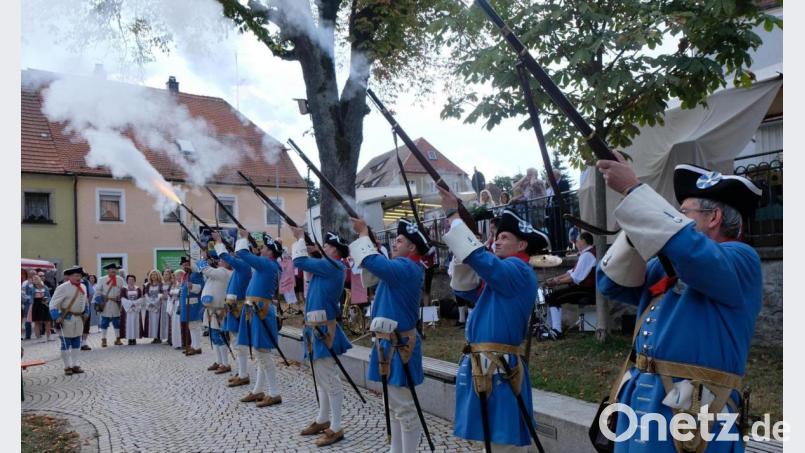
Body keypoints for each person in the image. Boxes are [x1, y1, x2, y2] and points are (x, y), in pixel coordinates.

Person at [595, 158, 763, 451]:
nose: (676, 219)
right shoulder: (667, 266)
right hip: (641, 400)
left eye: (683, 213)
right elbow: (610, 284)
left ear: (714, 217)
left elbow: (694, 255)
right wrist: (637, 229)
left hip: (694, 411)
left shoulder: (741, 259)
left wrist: (634, 192)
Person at [439, 185, 550, 452]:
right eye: (496, 236)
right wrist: (466, 249)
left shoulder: (518, 269)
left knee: (502, 444)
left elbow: (483, 261)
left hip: (498, 367)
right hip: (486, 365)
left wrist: (455, 216)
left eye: (505, 237)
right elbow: (464, 289)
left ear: (522, 245)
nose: (497, 241)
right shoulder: (503, 275)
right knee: (493, 443)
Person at [349, 217, 428, 452]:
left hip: (399, 345)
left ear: (412, 247)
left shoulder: (406, 267)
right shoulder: (401, 268)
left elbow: (371, 261)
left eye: (400, 240)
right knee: (393, 405)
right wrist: (369, 243)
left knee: (404, 407)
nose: (394, 243)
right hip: (388, 344)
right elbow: (371, 273)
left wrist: (364, 234)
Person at [291, 226, 353, 447]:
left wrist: (300, 238)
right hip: (314, 328)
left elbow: (299, 262)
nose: (322, 247)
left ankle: (336, 427)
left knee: (329, 380)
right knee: (321, 379)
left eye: (326, 245)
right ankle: (323, 419)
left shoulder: (333, 265)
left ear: (335, 250)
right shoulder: (328, 265)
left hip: (323, 330)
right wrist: (312, 248)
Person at [234, 230, 285, 408]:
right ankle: (258, 390)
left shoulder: (266, 264)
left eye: (263, 247)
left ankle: (274, 393)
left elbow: (242, 253)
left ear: (270, 252)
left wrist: (243, 238)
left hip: (260, 311)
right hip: (256, 310)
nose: (260, 249)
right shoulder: (268, 264)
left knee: (263, 353)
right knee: (260, 353)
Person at [212, 232, 252, 386]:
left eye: (237, 251)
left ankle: (243, 374)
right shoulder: (238, 268)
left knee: (238, 343)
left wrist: (218, 241)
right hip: (232, 308)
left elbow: (224, 257)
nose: (234, 254)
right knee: (236, 342)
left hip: (237, 309)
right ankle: (241, 372)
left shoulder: (242, 265)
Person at [543, 231, 597, 339]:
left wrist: (556, 282)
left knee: (553, 297)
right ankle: (550, 328)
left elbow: (575, 277)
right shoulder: (586, 254)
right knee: (551, 296)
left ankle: (556, 331)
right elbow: (571, 272)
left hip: (586, 290)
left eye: (577, 241)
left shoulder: (587, 255)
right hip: (583, 288)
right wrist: (556, 278)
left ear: (583, 241)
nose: (575, 243)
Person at [197, 248, 233, 376]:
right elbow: (208, 272)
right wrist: (209, 260)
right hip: (212, 310)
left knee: (220, 337)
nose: (219, 262)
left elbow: (205, 270)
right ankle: (219, 361)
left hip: (218, 311)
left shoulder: (224, 272)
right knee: (214, 337)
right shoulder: (219, 272)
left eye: (222, 260)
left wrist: (203, 258)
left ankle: (225, 364)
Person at [49, 266, 88, 376]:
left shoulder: (83, 286)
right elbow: (52, 304)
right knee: (66, 343)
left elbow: (85, 301)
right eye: (76, 275)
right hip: (66, 319)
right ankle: (67, 366)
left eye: (80, 275)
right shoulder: (62, 287)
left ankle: (75, 365)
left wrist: (87, 311)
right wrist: (56, 317)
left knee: (77, 342)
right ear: (70, 277)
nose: (78, 277)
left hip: (79, 319)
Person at [179, 256, 204, 356]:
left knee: (195, 325)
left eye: (187, 264)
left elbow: (201, 287)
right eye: (184, 265)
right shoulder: (186, 275)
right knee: (191, 326)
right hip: (187, 304)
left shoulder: (196, 274)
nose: (185, 266)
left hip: (193, 304)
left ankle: (197, 347)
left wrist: (192, 286)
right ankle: (193, 345)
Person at [96, 263, 125, 347]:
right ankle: (104, 339)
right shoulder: (102, 279)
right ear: (107, 271)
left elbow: (124, 290)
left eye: (114, 269)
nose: (113, 270)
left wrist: (120, 296)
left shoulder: (120, 279)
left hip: (116, 303)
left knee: (117, 322)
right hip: (106, 303)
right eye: (111, 269)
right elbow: (98, 291)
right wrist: (101, 298)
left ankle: (118, 338)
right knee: (104, 322)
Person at [545, 169, 571, 251]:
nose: (550, 177)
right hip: (551, 211)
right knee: (552, 230)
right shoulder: (552, 186)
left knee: (560, 230)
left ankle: (562, 249)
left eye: (552, 175)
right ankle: (555, 249)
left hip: (559, 210)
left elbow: (565, 195)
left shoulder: (563, 183)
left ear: (557, 175)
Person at [143, 270, 167, 343]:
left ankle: (159, 337)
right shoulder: (147, 285)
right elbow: (146, 295)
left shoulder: (161, 284)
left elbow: (162, 294)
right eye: (152, 275)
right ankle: (154, 337)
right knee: (152, 322)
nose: (153, 276)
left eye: (155, 274)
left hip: (158, 306)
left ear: (158, 275)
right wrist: (150, 302)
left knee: (158, 321)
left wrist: (155, 303)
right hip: (150, 305)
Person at [28, 275, 53, 343]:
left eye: (36, 278)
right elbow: (28, 296)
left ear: (39, 279)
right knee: (37, 322)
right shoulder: (31, 288)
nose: (35, 280)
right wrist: (30, 302)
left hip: (44, 304)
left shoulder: (45, 287)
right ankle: (38, 338)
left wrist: (47, 301)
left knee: (47, 321)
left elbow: (49, 296)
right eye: (34, 279)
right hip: (35, 304)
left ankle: (49, 336)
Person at [120, 274, 143, 345]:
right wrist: (130, 304)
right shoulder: (124, 289)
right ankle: (130, 339)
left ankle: (134, 338)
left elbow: (141, 298)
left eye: (132, 279)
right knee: (128, 324)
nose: (131, 281)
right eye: (129, 279)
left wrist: (135, 303)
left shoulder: (138, 289)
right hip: (128, 310)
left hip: (136, 309)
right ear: (127, 281)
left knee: (135, 323)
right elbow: (122, 298)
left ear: (135, 280)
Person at [167, 269, 184, 350]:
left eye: (178, 276)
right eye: (176, 276)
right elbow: (170, 296)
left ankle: (182, 343)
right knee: (174, 325)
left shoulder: (182, 285)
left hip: (179, 305)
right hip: (173, 305)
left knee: (179, 324)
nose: (177, 278)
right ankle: (176, 343)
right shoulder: (173, 286)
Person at [279, 250, 300, 315]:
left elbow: (295, 269)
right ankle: (290, 306)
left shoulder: (291, 261)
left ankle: (293, 306)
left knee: (292, 293)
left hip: (290, 280)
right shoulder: (280, 262)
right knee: (287, 294)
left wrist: (295, 274)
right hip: (284, 281)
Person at [79, 272, 95, 350]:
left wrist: (87, 304)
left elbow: (91, 293)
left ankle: (83, 343)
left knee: (86, 325)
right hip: (74, 308)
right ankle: (77, 343)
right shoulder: (68, 283)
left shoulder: (86, 282)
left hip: (85, 307)